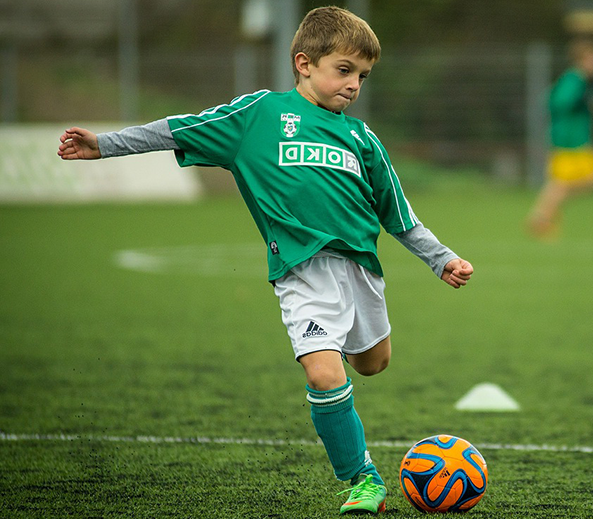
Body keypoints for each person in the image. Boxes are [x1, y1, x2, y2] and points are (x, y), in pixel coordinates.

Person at [57, 6, 473, 515]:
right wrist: (104, 145)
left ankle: (348, 372)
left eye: (362, 76)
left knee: (374, 363)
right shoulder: (259, 115)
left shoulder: (363, 139)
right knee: (324, 375)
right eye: (344, 70)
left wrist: (441, 259)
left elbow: (400, 216)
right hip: (301, 272)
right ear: (304, 62)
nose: (353, 85)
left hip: (361, 270)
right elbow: (178, 129)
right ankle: (362, 478)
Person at [527, 38, 593, 239]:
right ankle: (542, 217)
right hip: (569, 141)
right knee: (566, 183)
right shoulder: (575, 79)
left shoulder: (582, 81)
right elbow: (557, 101)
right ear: (583, 59)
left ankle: (543, 214)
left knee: (587, 180)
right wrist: (585, 101)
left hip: (577, 140)